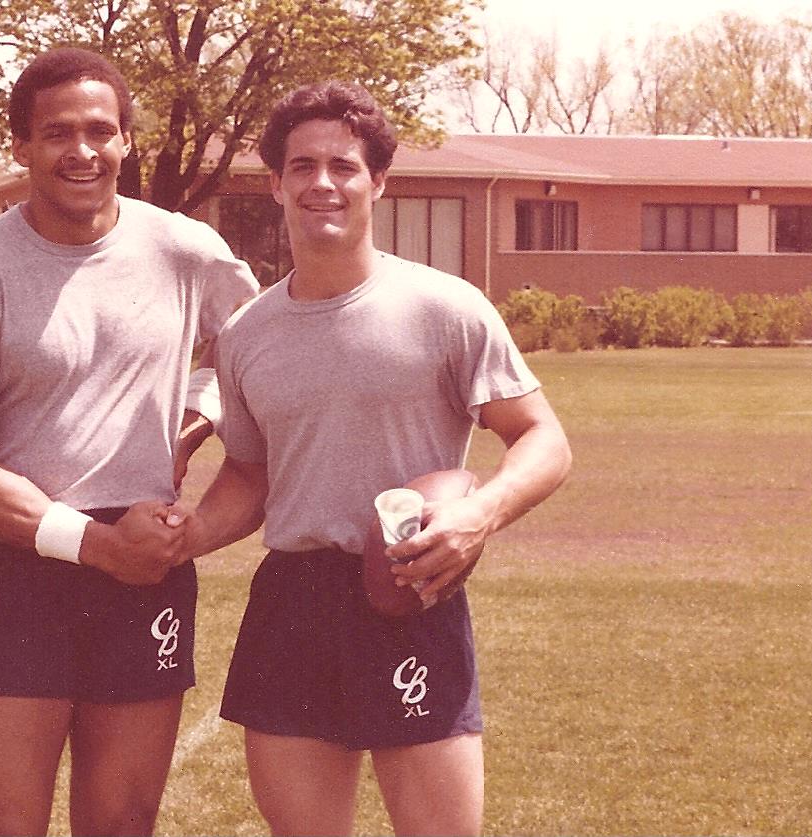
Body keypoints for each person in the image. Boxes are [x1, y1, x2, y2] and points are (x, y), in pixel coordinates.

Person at [182, 81, 572, 836]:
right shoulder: (246, 333)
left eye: (343, 166)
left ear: (378, 182)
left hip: (409, 588)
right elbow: (251, 476)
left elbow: (543, 437)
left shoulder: (444, 307)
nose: (321, 183)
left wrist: (475, 515)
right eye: (301, 166)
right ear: (275, 183)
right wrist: (185, 536)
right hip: (291, 603)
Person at [0, 47, 257, 836]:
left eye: (101, 130)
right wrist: (93, 544)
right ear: (20, 145)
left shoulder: (184, 249)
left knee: (122, 821)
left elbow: (255, 357)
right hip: (27, 559)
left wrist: (188, 426)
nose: (81, 151)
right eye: (57, 132)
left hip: (146, 564)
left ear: (127, 140)